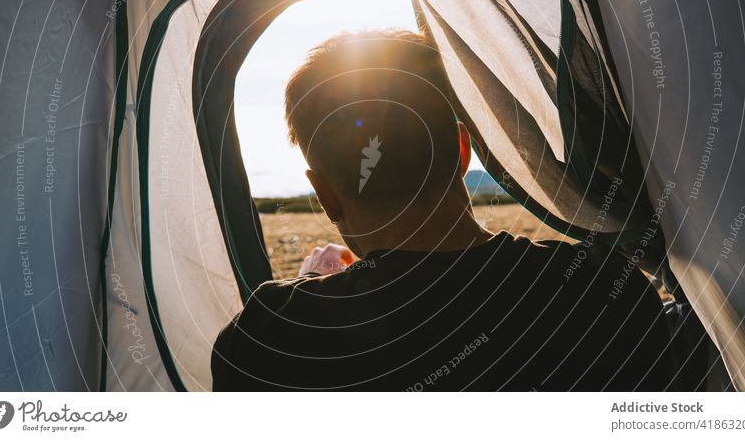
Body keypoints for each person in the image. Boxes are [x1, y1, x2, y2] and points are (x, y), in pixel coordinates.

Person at [211, 29, 677, 391]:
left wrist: (313, 289)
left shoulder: (266, 339)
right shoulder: (601, 290)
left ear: (324, 194)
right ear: (461, 151)